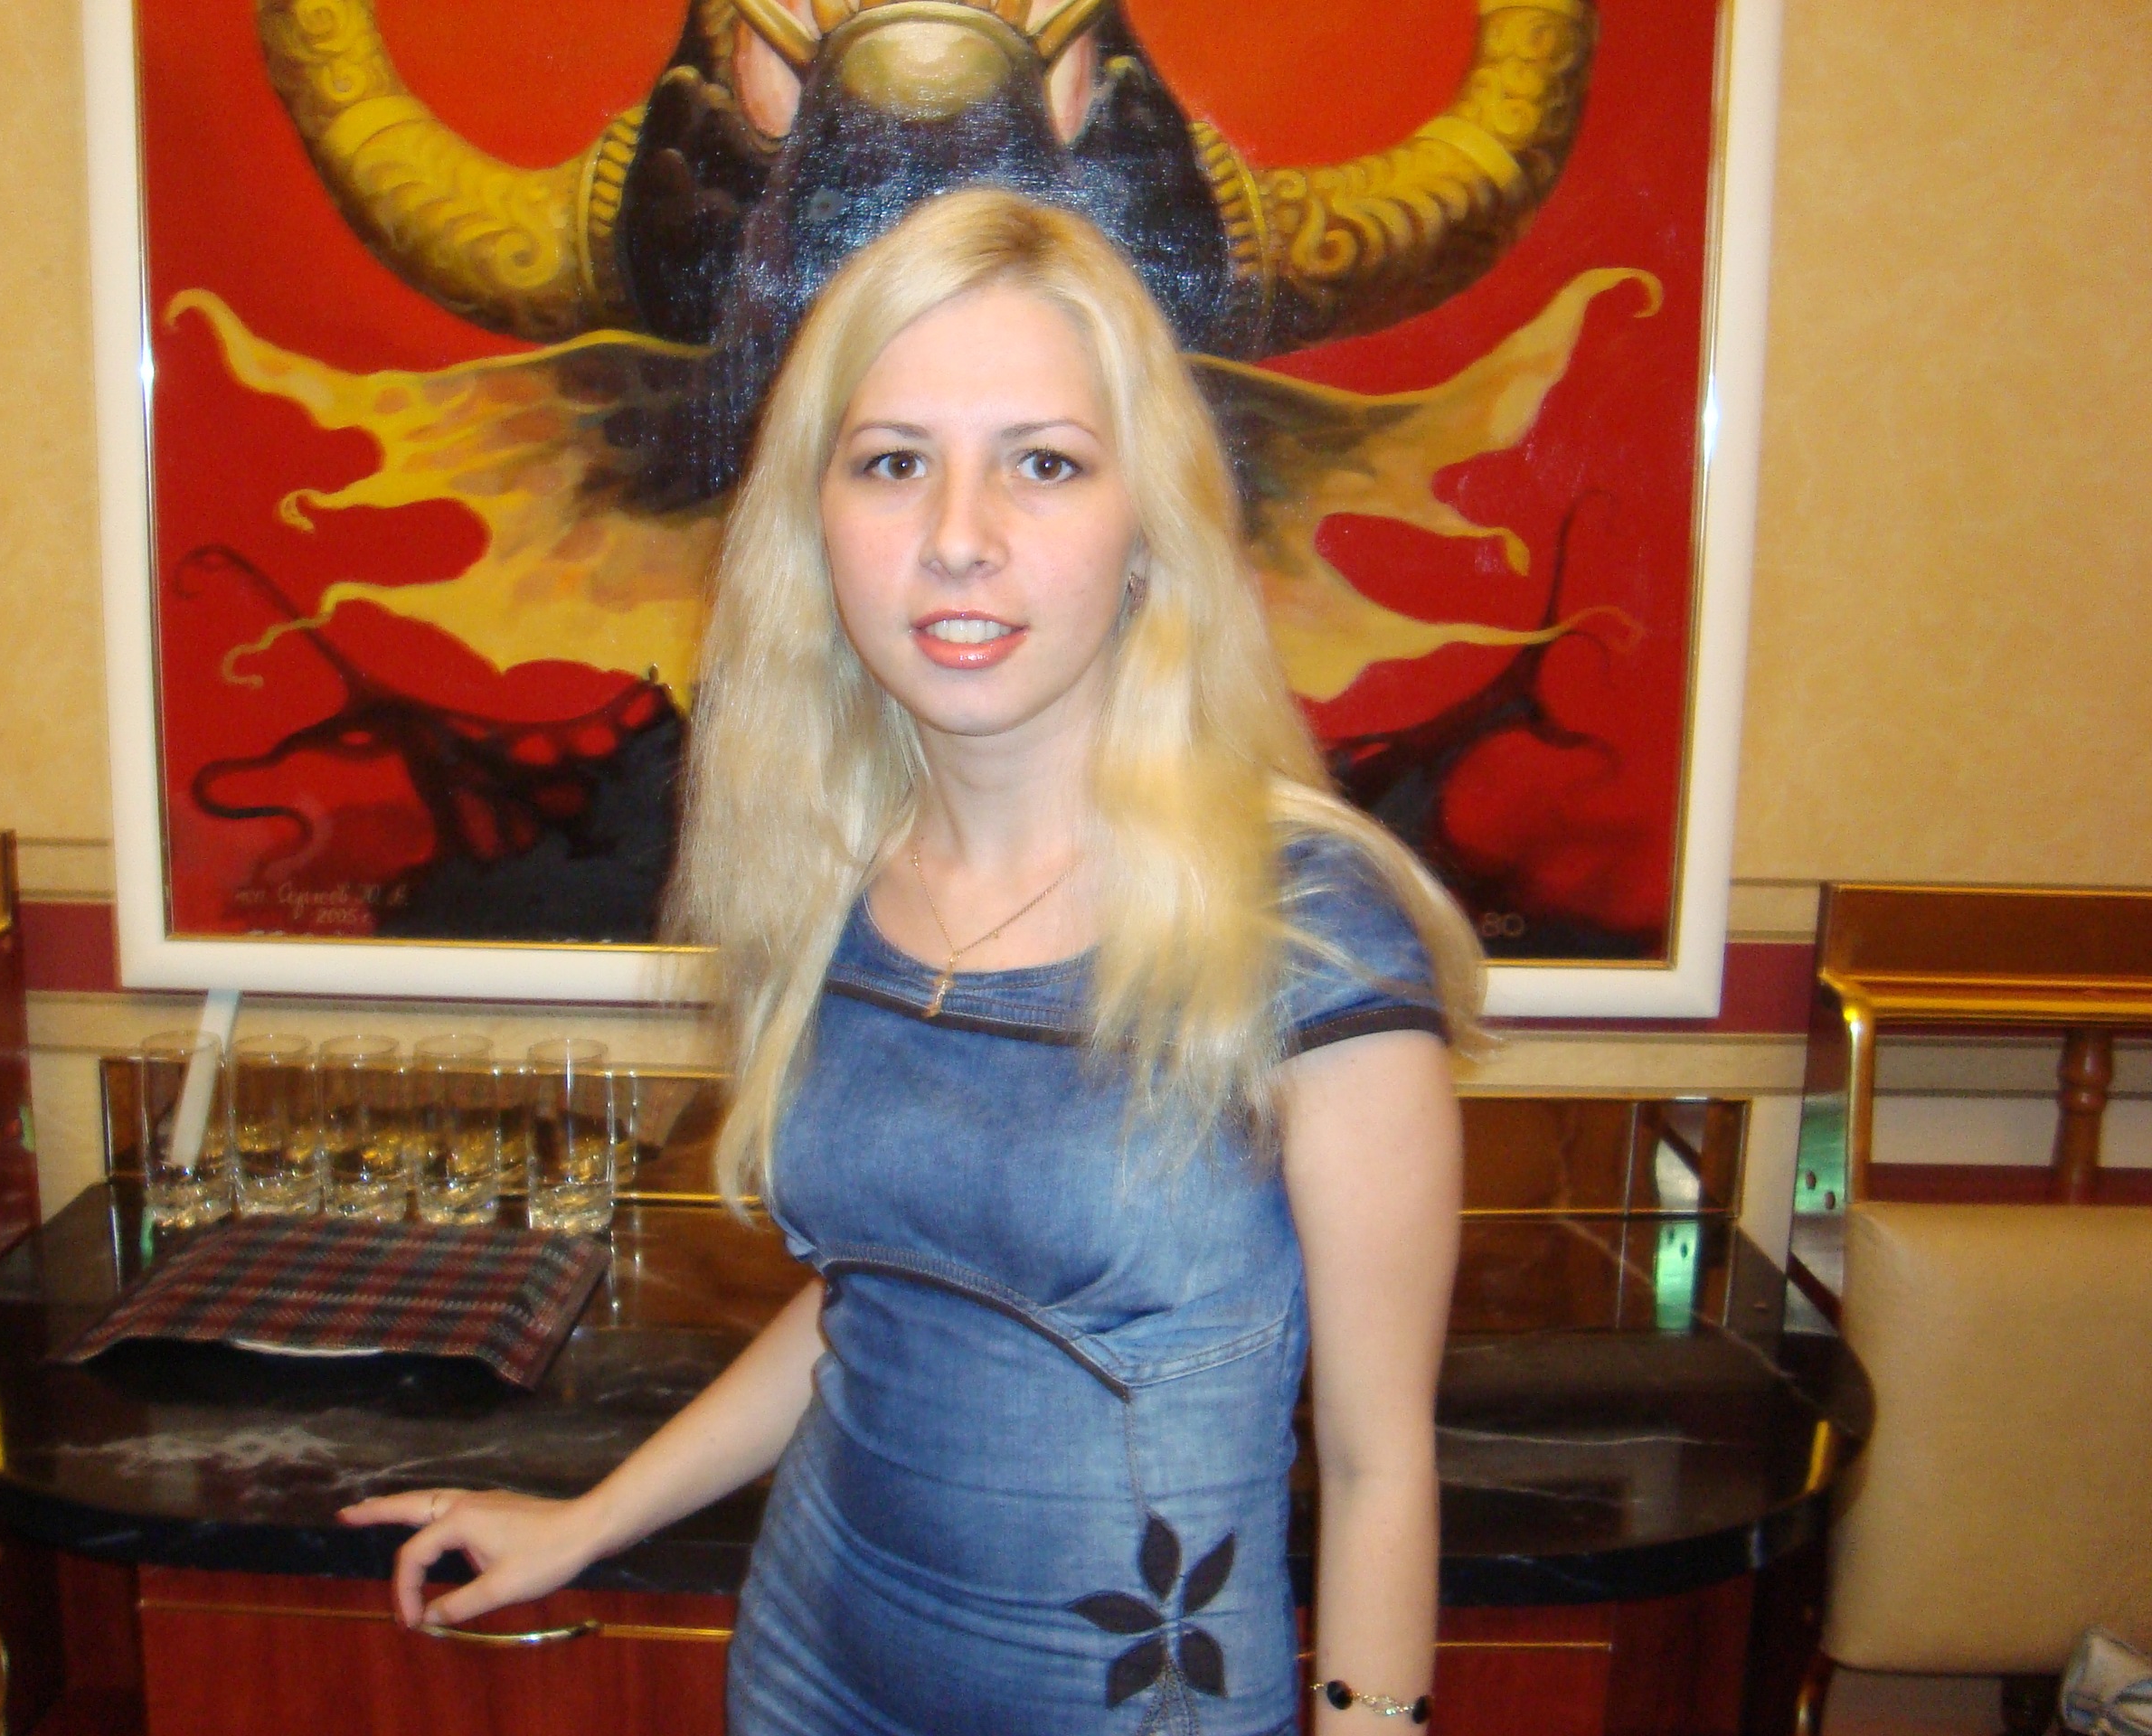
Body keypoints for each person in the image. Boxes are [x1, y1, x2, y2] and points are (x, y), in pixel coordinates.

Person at [341, 187, 1483, 1734]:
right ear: (816, 529)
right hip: (810, 1677)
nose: (958, 539)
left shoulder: (1307, 930)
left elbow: (1375, 1465)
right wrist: (594, 1516)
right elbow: (880, 1295)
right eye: (893, 463)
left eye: (1044, 463)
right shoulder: (835, 881)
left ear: (1146, 527)